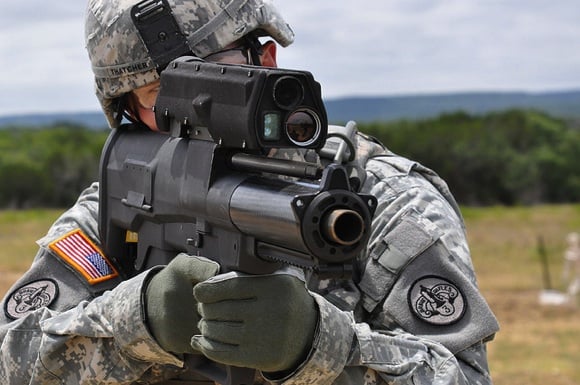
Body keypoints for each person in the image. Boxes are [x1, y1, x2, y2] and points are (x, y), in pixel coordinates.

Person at [0, 0, 499, 384]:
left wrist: (320, 346)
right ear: (125, 108)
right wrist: (135, 320)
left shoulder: (383, 198)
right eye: (159, 96)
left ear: (268, 58)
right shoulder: (127, 189)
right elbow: (9, 361)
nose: (192, 110)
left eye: (216, 78)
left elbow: (461, 375)